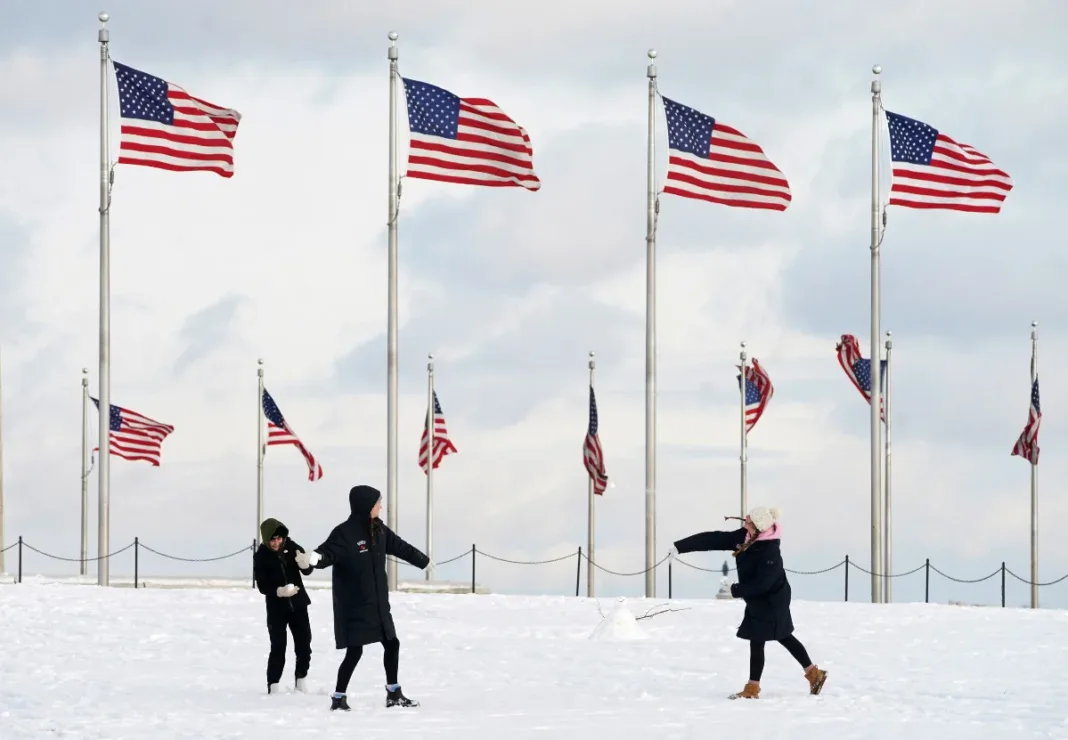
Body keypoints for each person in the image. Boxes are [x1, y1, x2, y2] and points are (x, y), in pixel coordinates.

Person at [670, 506, 827, 700]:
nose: (745, 521)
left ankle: (756, 688)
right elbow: (715, 538)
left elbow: (763, 583)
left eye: (749, 520)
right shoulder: (746, 536)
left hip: (773, 599)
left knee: (771, 637)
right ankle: (811, 674)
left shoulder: (769, 551)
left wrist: (734, 590)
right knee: (776, 637)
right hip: (757, 597)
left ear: (759, 527)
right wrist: (680, 547)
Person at [296, 485, 430, 711]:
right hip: (355, 605)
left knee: (391, 643)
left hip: (378, 602)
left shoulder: (378, 530)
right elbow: (327, 553)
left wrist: (422, 561)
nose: (381, 506)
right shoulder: (344, 532)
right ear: (366, 505)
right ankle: (338, 698)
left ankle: (393, 693)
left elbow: (400, 547)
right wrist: (312, 560)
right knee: (355, 651)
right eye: (378, 502)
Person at [253, 518, 315, 695]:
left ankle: (301, 681)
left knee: (304, 644)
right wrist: (279, 591)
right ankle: (273, 685)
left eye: (279, 539)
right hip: (276, 609)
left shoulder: (293, 547)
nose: (277, 542)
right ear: (266, 539)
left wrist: (305, 564)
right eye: (273, 539)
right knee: (278, 646)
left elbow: (307, 570)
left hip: (299, 605)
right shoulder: (261, 555)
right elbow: (262, 585)